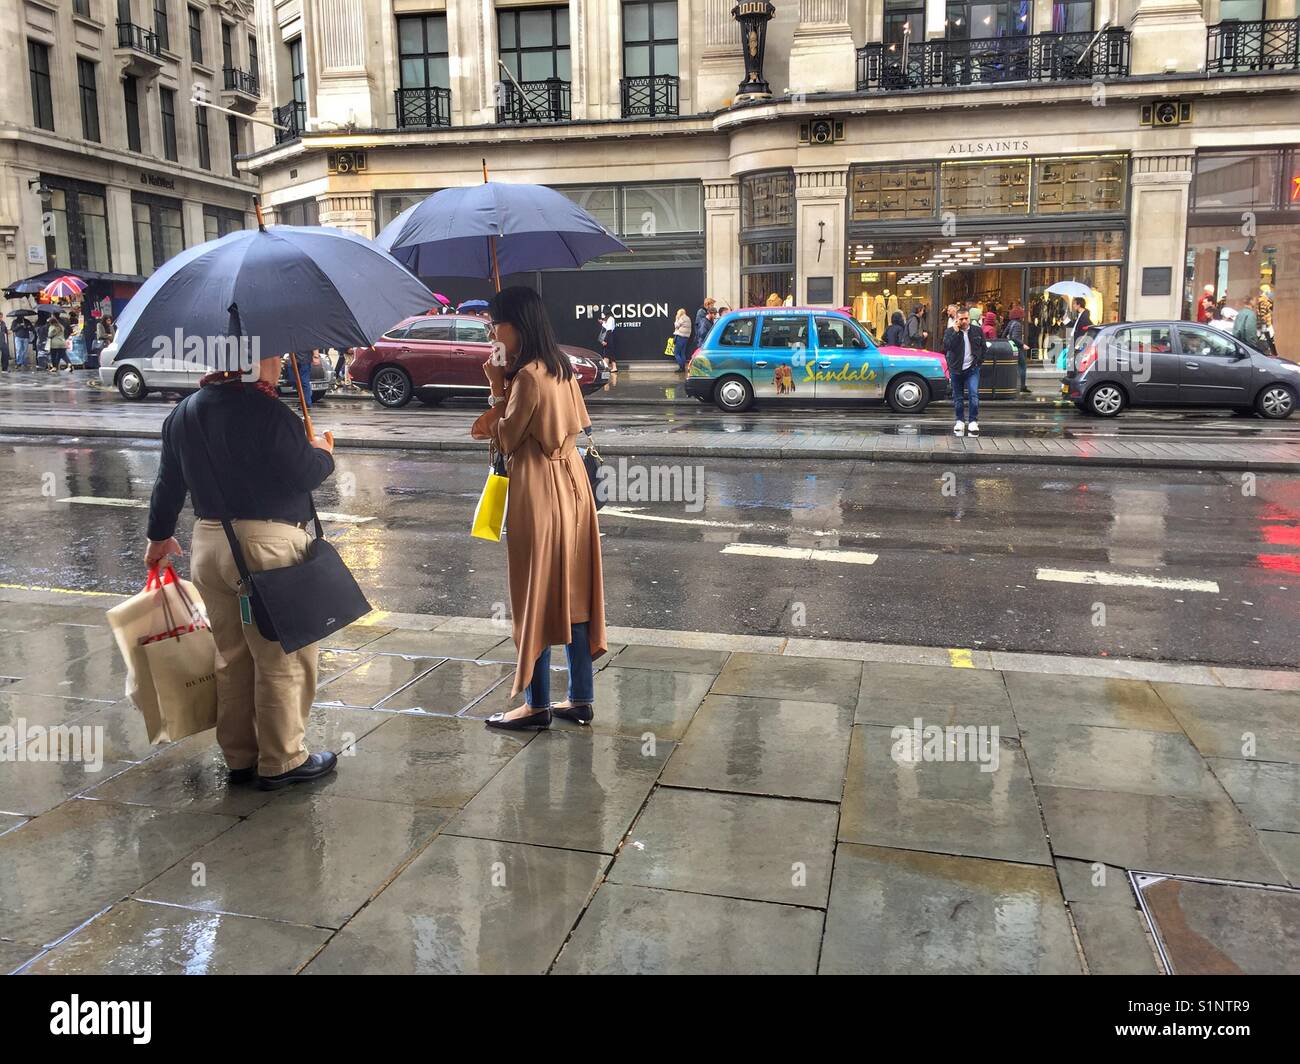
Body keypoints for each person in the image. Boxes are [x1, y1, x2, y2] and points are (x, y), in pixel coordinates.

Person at [143, 352, 338, 789]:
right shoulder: (269, 411)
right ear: (250, 359)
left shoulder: (184, 413)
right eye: (274, 356)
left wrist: (158, 538)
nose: (281, 364)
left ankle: (240, 756)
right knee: (281, 656)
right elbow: (305, 473)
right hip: (265, 548)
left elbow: (167, 483)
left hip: (209, 545)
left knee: (231, 656)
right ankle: (284, 759)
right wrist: (323, 452)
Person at [473, 286, 607, 731]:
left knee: (535, 594)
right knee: (574, 591)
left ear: (517, 325)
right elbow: (574, 423)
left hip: (538, 489)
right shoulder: (560, 367)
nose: (492, 331)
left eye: (496, 323)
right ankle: (581, 697)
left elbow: (505, 439)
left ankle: (536, 705)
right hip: (574, 486)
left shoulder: (527, 376)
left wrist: (496, 387)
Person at [944, 307, 987, 438]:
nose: (964, 321)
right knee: (958, 397)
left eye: (966, 318)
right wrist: (956, 332)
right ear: (956, 319)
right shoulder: (950, 331)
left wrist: (978, 362)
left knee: (973, 395)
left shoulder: (977, 331)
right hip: (956, 370)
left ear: (969, 318)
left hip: (972, 369)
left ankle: (973, 421)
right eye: (961, 319)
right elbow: (947, 346)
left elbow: (983, 347)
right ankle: (960, 420)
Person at [1005, 306, 1029, 394]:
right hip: (1018, 348)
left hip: (1011, 347)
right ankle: (1022, 386)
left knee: (1016, 367)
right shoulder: (1018, 324)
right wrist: (1023, 345)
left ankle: (1017, 385)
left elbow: (1004, 334)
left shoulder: (1011, 323)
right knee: (1022, 367)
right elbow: (1015, 337)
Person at [598, 305, 618, 372]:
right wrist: (602, 321)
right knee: (608, 353)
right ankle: (609, 367)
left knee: (608, 352)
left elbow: (609, 330)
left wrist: (605, 340)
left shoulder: (610, 319)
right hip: (607, 336)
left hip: (608, 336)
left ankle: (609, 367)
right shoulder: (607, 319)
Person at [672, 307, 691, 371]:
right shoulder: (688, 318)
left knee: (676, 353)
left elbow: (676, 325)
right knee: (682, 353)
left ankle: (681, 367)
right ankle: (683, 367)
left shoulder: (682, 318)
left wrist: (676, 319)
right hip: (686, 337)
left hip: (680, 337)